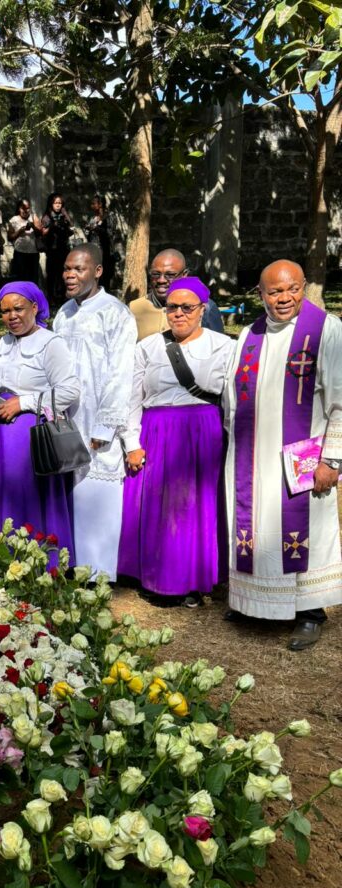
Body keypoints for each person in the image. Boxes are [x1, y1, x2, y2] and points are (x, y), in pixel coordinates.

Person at [222, 259, 342, 650]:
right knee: (254, 525)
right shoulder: (249, 334)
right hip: (251, 453)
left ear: (303, 287)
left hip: (303, 451)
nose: (284, 298)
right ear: (260, 295)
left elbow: (341, 400)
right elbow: (230, 394)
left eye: (292, 289)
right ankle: (252, 600)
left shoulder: (326, 330)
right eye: (274, 292)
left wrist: (333, 459)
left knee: (305, 529)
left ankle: (309, 612)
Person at [118, 277, 233, 606]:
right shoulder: (148, 347)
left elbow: (232, 398)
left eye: (188, 307)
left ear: (202, 309)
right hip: (157, 430)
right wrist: (131, 442)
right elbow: (131, 399)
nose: (179, 313)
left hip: (203, 432)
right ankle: (156, 575)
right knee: (159, 507)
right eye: (172, 307)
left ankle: (195, 579)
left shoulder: (224, 347)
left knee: (195, 508)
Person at [53, 244, 137, 580]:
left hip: (98, 423)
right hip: (66, 420)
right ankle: (73, 564)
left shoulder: (115, 313)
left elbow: (121, 373)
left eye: (78, 269)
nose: (70, 276)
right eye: (66, 269)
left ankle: (99, 574)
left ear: (98, 271)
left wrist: (105, 427)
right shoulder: (63, 313)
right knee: (70, 496)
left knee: (97, 497)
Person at [0, 281, 80, 566]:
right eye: (5, 311)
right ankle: (5, 562)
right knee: (4, 497)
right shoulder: (5, 342)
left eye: (19, 309)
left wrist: (22, 403)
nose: (11, 316)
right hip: (1, 435)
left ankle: (40, 566)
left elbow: (69, 392)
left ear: (35, 308)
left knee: (30, 499)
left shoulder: (51, 343)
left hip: (31, 437)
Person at [129, 248, 225, 341]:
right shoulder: (134, 308)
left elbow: (218, 349)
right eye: (156, 274)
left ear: (184, 275)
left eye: (170, 275)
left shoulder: (204, 308)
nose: (161, 280)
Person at [40, 192, 74, 306]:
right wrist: (52, 226)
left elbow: (71, 228)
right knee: (52, 275)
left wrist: (66, 222)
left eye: (60, 203)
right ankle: (51, 298)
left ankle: (63, 297)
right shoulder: (47, 216)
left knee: (63, 274)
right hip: (52, 250)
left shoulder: (64, 215)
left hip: (63, 249)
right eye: (56, 203)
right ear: (51, 204)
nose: (58, 205)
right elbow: (43, 232)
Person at [7, 198, 42, 284]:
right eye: (23, 208)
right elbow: (10, 237)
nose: (26, 210)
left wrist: (33, 226)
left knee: (33, 278)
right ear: (19, 208)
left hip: (33, 253)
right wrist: (20, 231)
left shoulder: (34, 217)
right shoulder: (13, 220)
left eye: (28, 208)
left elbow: (41, 232)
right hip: (20, 253)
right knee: (20, 278)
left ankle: (32, 296)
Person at [86, 195, 116, 293]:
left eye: (93, 203)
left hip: (105, 251)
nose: (91, 206)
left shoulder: (109, 216)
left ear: (100, 204)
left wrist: (96, 228)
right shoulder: (92, 218)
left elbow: (110, 233)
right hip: (94, 250)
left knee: (105, 274)